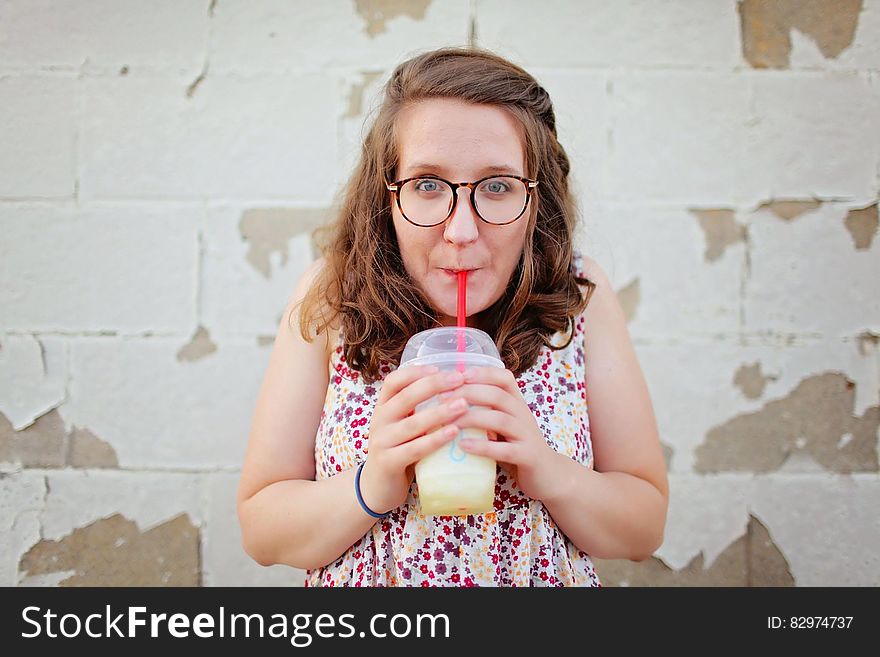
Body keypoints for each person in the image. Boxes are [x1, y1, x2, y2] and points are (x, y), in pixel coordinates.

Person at [237, 47, 668, 587]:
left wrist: (547, 470)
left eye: (497, 185)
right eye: (426, 184)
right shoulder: (331, 296)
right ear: (386, 195)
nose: (461, 231)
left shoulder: (580, 295)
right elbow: (261, 532)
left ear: (538, 199)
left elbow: (642, 529)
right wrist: (374, 482)